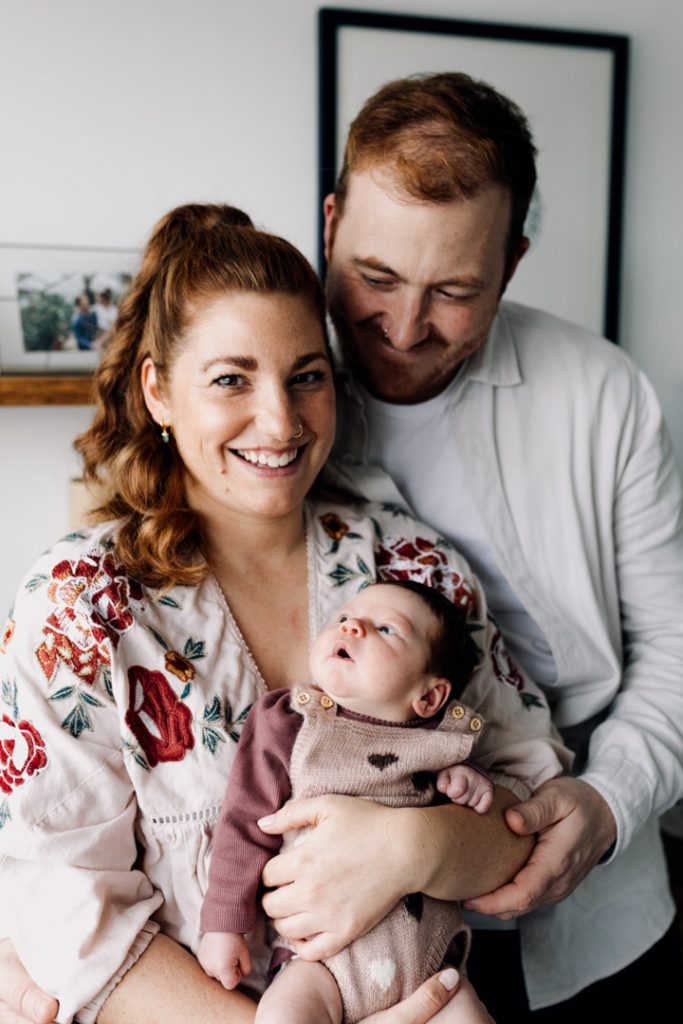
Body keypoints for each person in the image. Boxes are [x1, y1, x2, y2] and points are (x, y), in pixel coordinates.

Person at [0, 202, 567, 1024]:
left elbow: (533, 800)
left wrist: (425, 846)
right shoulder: (78, 610)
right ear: (158, 390)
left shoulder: (406, 567)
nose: (280, 421)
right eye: (231, 378)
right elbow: (64, 912)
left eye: (306, 376)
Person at [317, 72, 683, 1019]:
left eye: (454, 291)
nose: (401, 329)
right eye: (376, 277)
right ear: (329, 224)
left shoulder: (603, 396)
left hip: (605, 914)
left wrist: (607, 804)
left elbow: (676, 646)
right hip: (348, 943)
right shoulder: (264, 402)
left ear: (512, 264)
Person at [197, 579, 567, 1024]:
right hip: (318, 963)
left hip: (431, 968)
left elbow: (476, 837)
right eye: (345, 618)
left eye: (387, 629)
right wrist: (223, 922)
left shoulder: (443, 747)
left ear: (429, 696)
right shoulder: (293, 723)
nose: (352, 627)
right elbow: (243, 821)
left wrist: (470, 786)